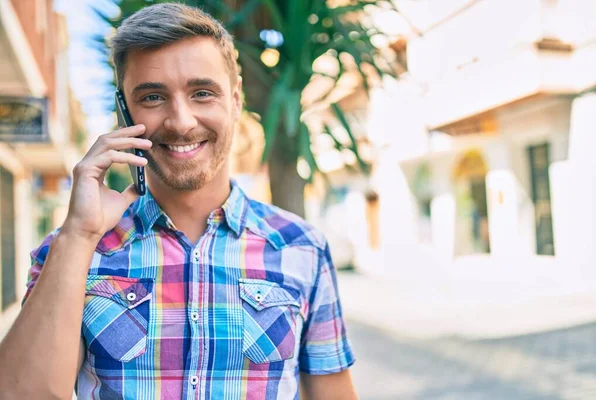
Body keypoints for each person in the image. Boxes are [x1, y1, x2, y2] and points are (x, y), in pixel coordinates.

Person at [0, 4, 356, 399]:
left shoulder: (302, 247)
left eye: (202, 93)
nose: (181, 121)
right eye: (153, 97)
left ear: (235, 100)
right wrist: (79, 234)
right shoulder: (70, 249)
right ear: (124, 112)